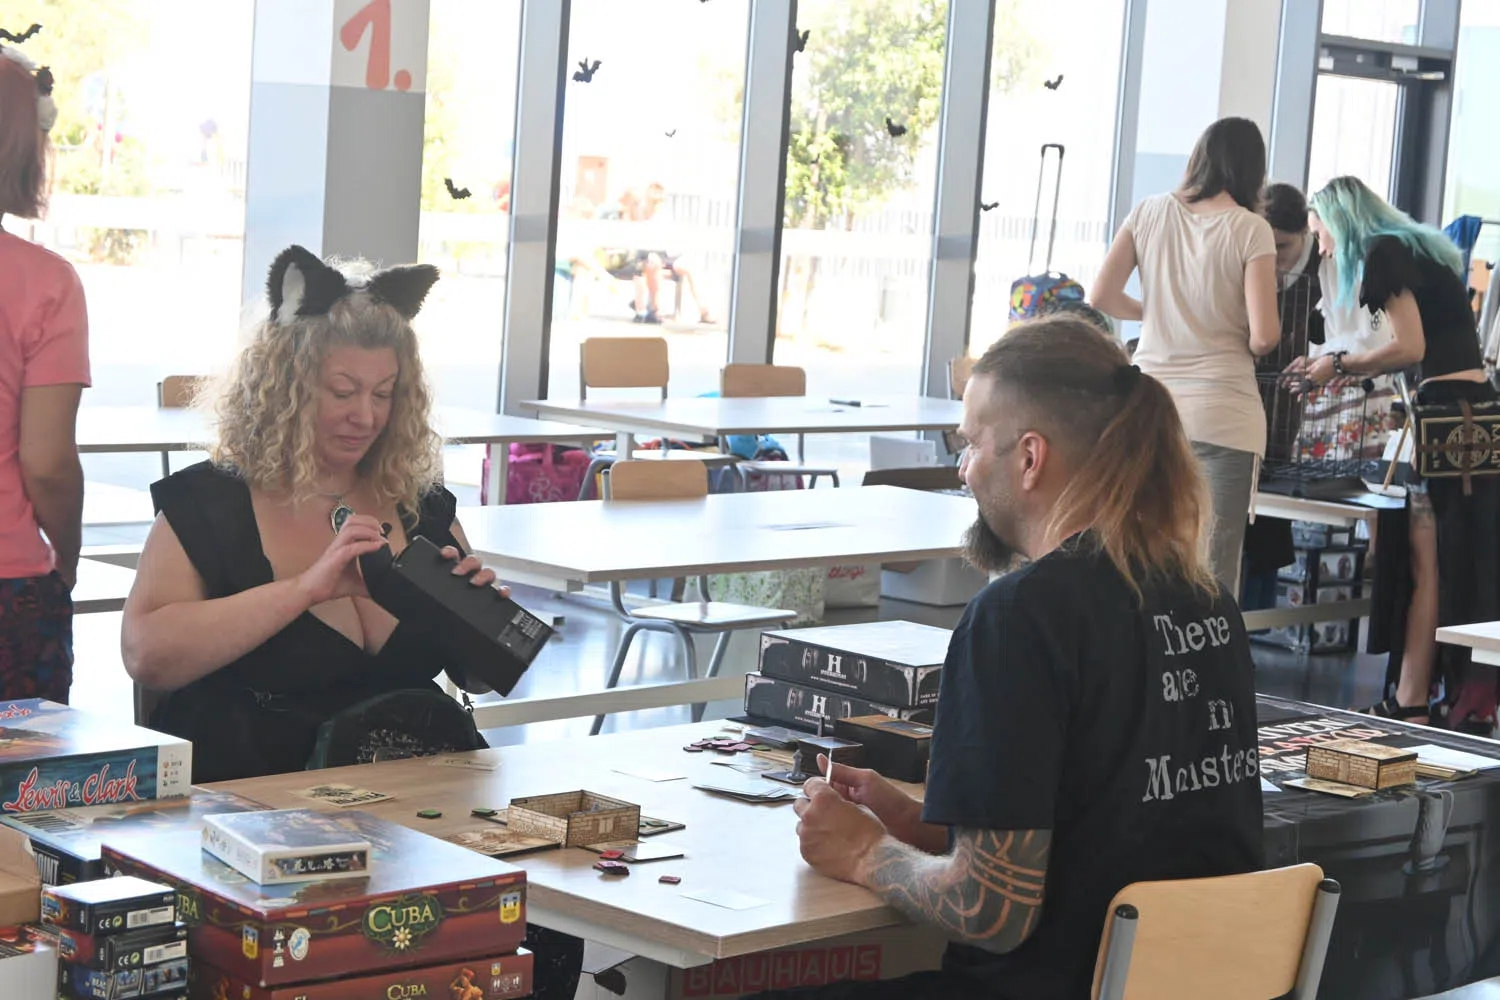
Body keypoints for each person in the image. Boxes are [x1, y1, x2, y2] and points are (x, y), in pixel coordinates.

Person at [120, 245, 583, 999]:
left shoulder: (416, 501)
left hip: (414, 798)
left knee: (546, 924)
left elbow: (477, 679)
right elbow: (147, 654)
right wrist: (303, 590)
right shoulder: (211, 503)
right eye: (341, 390)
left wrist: (476, 617)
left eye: (383, 393)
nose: (364, 415)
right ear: (286, 385)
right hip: (259, 817)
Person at [754, 317, 1264, 1000]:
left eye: (971, 444)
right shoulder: (1207, 601)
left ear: (1029, 458)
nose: (963, 469)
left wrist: (864, 853)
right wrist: (914, 825)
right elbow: (1111, 826)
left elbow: (991, 911)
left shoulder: (1020, 618)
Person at [1287, 176, 1497, 732]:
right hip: (1472, 414)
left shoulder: (1382, 255)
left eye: (1322, 234)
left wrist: (1337, 366)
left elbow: (1409, 347)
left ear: (1342, 222)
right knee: (1452, 562)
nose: (1323, 248)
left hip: (1446, 418)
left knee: (1426, 565)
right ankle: (1432, 693)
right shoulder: (1419, 250)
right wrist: (1334, 360)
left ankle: (1411, 698)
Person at [1091, 116, 1281, 598]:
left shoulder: (1148, 212)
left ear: (1199, 158)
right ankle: (1205, 650)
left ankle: (1145, 648)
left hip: (1152, 413)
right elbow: (1264, 337)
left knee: (1141, 557)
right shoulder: (1251, 229)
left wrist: (1156, 312)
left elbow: (1102, 295)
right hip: (1224, 416)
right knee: (1211, 572)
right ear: (1253, 170)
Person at [0, 43, 88, 702]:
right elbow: (48, 462)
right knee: (24, 767)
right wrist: (69, 555)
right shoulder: (46, 283)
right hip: (10, 585)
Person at [1242, 183, 1324, 610]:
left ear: (1305, 233)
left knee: (1270, 516)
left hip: (1295, 406)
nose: (1274, 257)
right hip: (1244, 397)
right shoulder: (1251, 257)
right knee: (1245, 517)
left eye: (1283, 246)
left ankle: (1256, 617)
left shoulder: (1323, 269)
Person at [606, 182, 715, 325]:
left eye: (660, 200)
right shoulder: (639, 214)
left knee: (689, 266)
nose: (657, 203)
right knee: (652, 263)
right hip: (648, 255)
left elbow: (671, 240)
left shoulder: (665, 216)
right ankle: (653, 308)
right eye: (654, 200)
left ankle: (704, 310)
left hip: (666, 253)